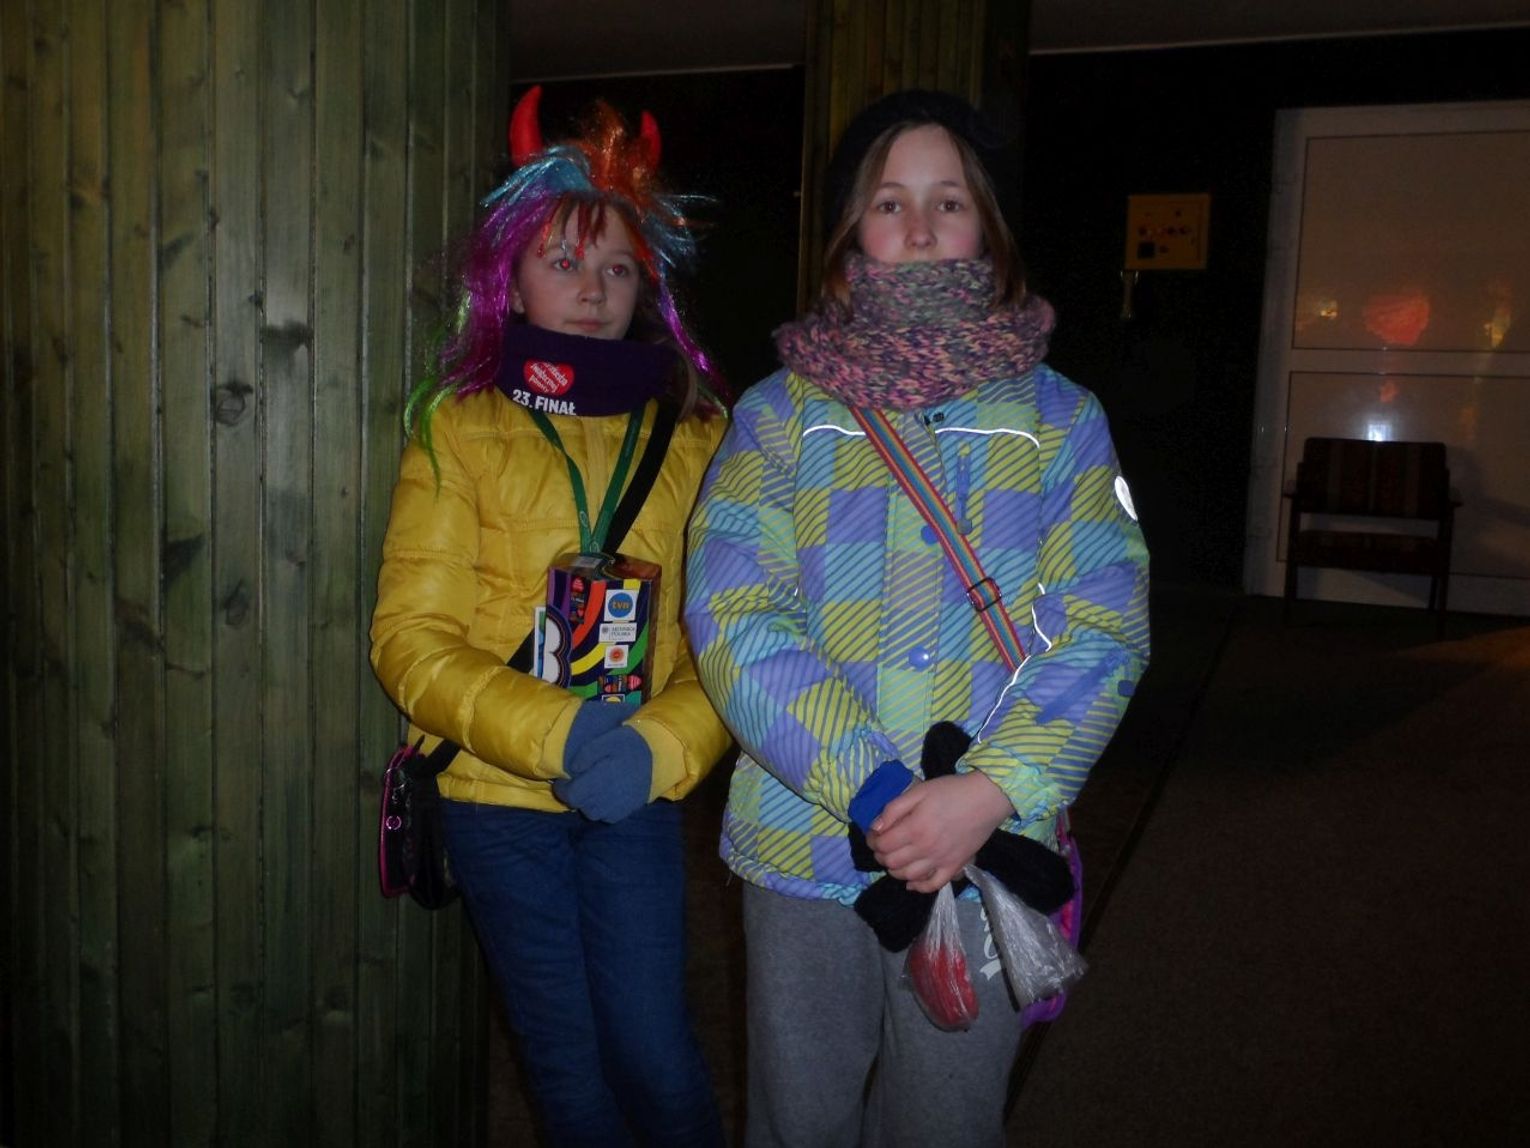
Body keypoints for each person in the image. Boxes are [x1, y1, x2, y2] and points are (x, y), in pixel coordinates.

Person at [684, 89, 1150, 1147]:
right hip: (806, 847)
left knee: (950, 1121)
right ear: (852, 232)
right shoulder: (777, 416)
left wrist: (989, 789)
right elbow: (735, 615)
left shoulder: (1062, 419)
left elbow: (1104, 626)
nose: (923, 223)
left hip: (986, 849)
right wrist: (879, 789)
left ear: (988, 224)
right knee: (798, 1118)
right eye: (891, 201)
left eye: (950, 199)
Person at [370, 86, 729, 1148]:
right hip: (497, 796)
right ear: (512, 273)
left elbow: (735, 637)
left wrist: (659, 746)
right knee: (567, 1069)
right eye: (564, 261)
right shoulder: (460, 427)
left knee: (656, 1053)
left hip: (635, 791)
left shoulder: (698, 435)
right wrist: (558, 730)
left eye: (617, 268)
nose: (592, 289)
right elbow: (409, 640)